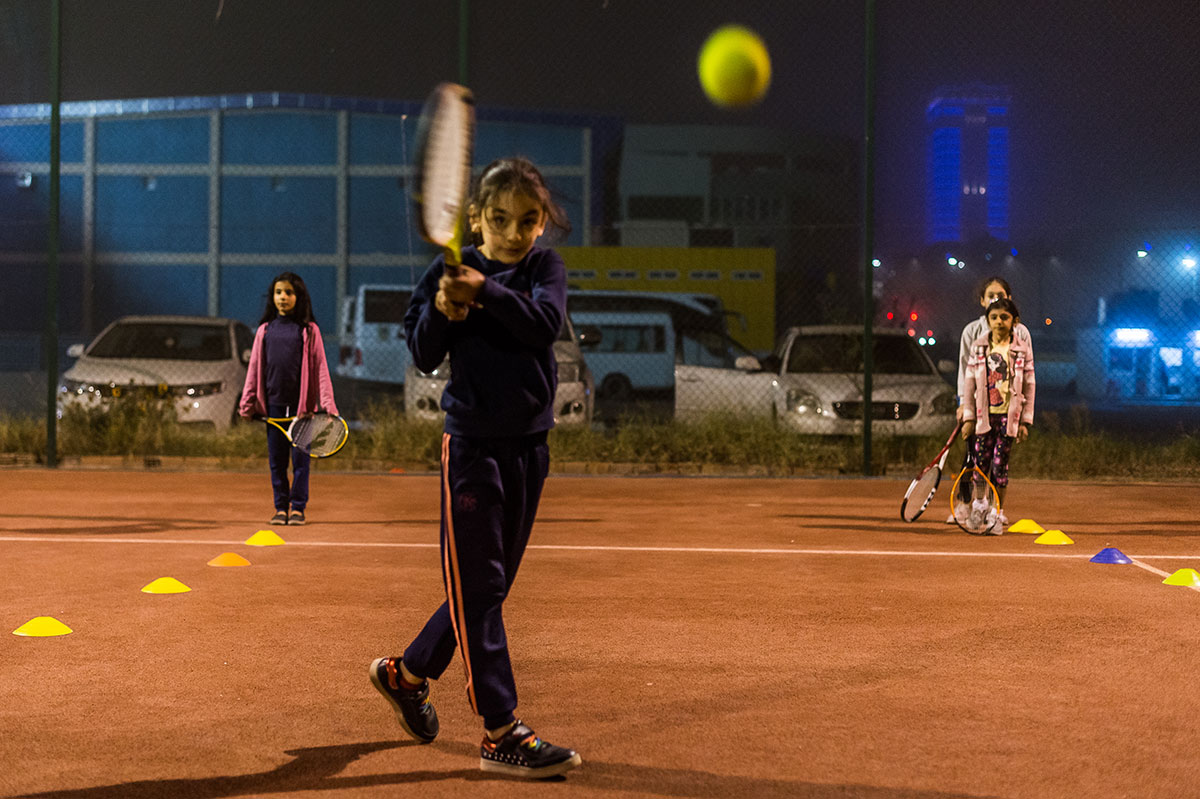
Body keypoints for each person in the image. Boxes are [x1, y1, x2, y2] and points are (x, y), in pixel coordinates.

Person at [369, 157, 582, 779]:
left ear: (542, 223)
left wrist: (484, 293)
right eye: (498, 219)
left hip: (530, 449)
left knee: (484, 590)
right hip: (471, 451)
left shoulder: (544, 268)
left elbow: (543, 324)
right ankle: (501, 730)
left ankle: (405, 676)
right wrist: (446, 306)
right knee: (481, 593)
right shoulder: (449, 269)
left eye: (527, 219)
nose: (513, 232)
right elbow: (423, 352)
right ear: (474, 219)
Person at [238, 271, 338, 526]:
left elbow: (321, 370)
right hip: (273, 407)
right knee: (277, 462)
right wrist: (247, 405)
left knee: (301, 463)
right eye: (279, 292)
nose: (283, 297)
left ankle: (298, 508)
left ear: (299, 297)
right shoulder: (264, 331)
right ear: (272, 297)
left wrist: (328, 405)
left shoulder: (309, 331)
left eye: (289, 293)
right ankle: (280, 507)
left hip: (302, 411)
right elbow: (254, 371)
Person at [946, 276, 1031, 523]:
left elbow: (1027, 374)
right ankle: (964, 503)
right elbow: (965, 371)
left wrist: (1024, 412)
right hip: (978, 407)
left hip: (1005, 408)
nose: (996, 300)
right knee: (973, 456)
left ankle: (994, 509)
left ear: (1010, 299)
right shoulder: (972, 332)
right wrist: (964, 404)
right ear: (982, 301)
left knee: (1000, 458)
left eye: (1001, 295)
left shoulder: (1021, 333)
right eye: (991, 296)